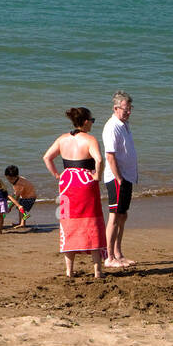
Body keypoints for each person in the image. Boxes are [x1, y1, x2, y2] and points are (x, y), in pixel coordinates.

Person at [43, 107, 106, 278]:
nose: (92, 124)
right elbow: (99, 160)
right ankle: (97, 271)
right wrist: (97, 176)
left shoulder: (62, 139)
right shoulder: (90, 139)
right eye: (92, 121)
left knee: (68, 222)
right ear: (85, 122)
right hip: (86, 181)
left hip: (67, 183)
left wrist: (57, 175)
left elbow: (47, 157)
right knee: (92, 223)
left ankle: (69, 271)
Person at [101, 91, 137, 268]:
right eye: (125, 109)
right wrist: (119, 178)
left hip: (126, 177)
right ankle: (109, 257)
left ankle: (118, 253)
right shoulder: (112, 126)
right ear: (115, 108)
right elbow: (109, 156)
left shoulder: (124, 123)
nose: (128, 111)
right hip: (117, 178)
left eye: (130, 108)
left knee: (123, 216)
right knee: (114, 217)